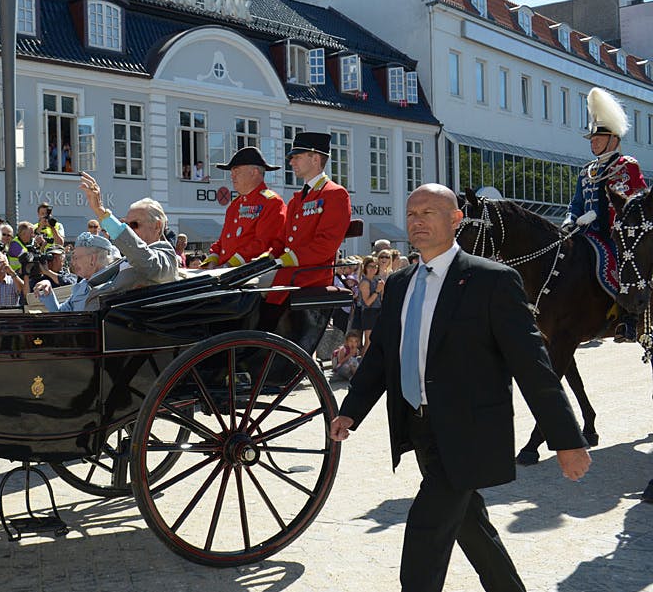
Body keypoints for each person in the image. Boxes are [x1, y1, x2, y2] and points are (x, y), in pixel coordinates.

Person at [330, 183, 590, 592]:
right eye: (412, 214)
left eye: (429, 213)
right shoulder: (398, 284)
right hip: (420, 428)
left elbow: (533, 367)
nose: (417, 221)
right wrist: (352, 409)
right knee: (470, 524)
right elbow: (381, 355)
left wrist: (566, 440)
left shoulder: (493, 281)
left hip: (469, 430)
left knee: (425, 530)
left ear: (455, 221)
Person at [562, 86, 646, 342]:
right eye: (592, 140)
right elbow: (576, 203)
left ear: (614, 139)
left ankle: (628, 319)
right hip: (586, 233)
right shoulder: (587, 171)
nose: (594, 143)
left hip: (616, 235)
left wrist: (601, 218)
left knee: (620, 266)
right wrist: (570, 219)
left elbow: (637, 201)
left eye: (599, 139)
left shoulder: (626, 166)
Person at [262, 132, 352, 351]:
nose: (291, 161)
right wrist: (268, 256)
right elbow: (283, 239)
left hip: (310, 275)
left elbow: (326, 244)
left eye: (297, 156)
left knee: (255, 298)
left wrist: (286, 260)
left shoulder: (335, 194)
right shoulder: (296, 199)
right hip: (290, 274)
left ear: (315, 158)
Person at [79, 172, 178, 310]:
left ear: (157, 225)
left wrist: (101, 212)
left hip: (114, 324)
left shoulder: (165, 256)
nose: (129, 230)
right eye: (126, 224)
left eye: (134, 225)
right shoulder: (129, 256)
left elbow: (146, 261)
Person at [201, 147, 287, 270]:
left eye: (237, 171)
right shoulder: (235, 204)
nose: (232, 176)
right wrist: (213, 259)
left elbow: (263, 244)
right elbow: (223, 241)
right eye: (232, 172)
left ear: (254, 172)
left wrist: (229, 264)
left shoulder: (272, 202)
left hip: (247, 274)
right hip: (225, 271)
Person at [34, 232, 114, 312]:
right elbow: (62, 314)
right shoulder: (82, 286)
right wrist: (48, 293)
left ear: (92, 259)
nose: (73, 263)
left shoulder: (113, 286)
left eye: (76, 257)